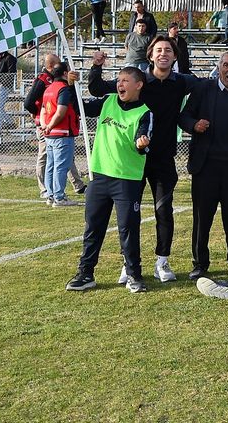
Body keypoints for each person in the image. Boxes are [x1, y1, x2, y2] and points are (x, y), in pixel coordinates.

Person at [87, 36, 215, 284]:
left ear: (174, 56)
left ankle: (161, 261)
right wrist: (96, 66)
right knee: (128, 217)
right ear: (150, 55)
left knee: (164, 211)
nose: (163, 53)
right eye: (158, 50)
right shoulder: (137, 80)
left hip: (163, 159)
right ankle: (128, 263)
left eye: (168, 50)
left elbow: (208, 84)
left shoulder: (182, 82)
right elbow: (98, 89)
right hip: (132, 161)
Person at [65, 66, 154, 294]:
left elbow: (142, 140)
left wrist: (141, 143)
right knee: (93, 227)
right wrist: (70, 86)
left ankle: (134, 275)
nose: (120, 84)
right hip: (99, 176)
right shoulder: (108, 101)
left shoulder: (145, 112)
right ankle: (85, 274)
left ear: (138, 85)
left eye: (125, 80)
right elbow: (81, 108)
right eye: (118, 80)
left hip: (126, 180)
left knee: (128, 229)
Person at [178, 51, 228, 280]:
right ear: (219, 66)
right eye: (226, 65)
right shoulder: (203, 89)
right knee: (202, 218)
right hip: (205, 167)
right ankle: (200, 264)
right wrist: (194, 125)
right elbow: (183, 117)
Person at [25, 53, 87, 199]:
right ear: (52, 66)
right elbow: (29, 103)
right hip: (52, 127)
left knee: (63, 159)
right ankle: (48, 191)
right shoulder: (44, 81)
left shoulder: (54, 84)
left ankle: (75, 185)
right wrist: (40, 119)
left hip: (53, 126)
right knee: (49, 160)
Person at [37, 60, 81, 207]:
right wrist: (49, 126)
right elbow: (61, 112)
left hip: (50, 134)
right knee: (61, 166)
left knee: (51, 165)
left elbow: (43, 110)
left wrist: (45, 126)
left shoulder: (49, 88)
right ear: (64, 73)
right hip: (62, 133)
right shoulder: (63, 89)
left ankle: (50, 195)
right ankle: (59, 197)